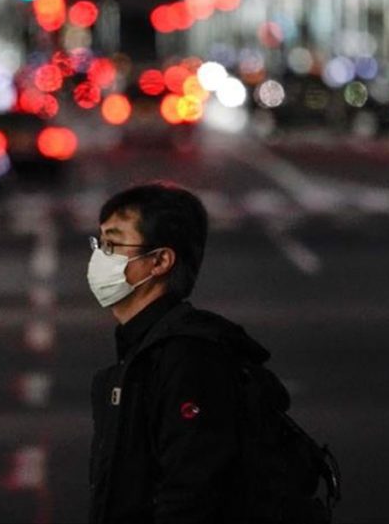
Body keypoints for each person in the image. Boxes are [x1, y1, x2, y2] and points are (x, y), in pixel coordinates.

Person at [87, 182, 274, 524]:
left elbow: (192, 494)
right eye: (99, 244)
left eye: (113, 245)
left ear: (160, 260)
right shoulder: (141, 351)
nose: (99, 257)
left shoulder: (189, 359)